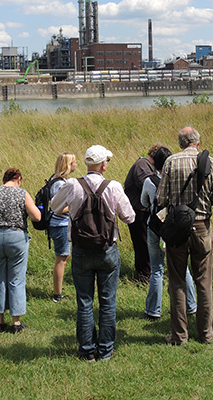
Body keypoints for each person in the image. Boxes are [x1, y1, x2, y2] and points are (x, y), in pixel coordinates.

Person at [50, 145, 135, 361]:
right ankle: (105, 350)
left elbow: (54, 206)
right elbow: (129, 217)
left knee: (84, 301)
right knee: (107, 301)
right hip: (107, 250)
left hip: (80, 250)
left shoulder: (72, 184)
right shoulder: (113, 186)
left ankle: (87, 350)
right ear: (103, 164)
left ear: (88, 163)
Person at [156, 127, 213, 345]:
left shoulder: (171, 162)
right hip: (202, 226)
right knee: (204, 282)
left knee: (177, 281)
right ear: (197, 141)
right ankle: (206, 334)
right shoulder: (211, 162)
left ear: (180, 143)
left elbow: (161, 198)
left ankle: (180, 336)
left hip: (177, 228)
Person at [0, 167, 42, 333]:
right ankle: (16, 323)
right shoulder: (22, 193)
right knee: (16, 279)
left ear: (4, 179)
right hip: (16, 238)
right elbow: (36, 217)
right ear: (19, 179)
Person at [141, 146, 197, 320]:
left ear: (154, 163)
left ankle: (153, 309)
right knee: (183, 267)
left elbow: (144, 202)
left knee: (157, 269)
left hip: (155, 228)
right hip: (175, 227)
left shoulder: (149, 181)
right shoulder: (175, 177)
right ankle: (191, 305)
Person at [123, 144, 165, 283]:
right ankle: (144, 277)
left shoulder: (148, 166)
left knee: (147, 243)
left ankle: (148, 273)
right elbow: (149, 185)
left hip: (145, 211)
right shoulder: (142, 164)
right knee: (142, 244)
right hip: (138, 212)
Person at [46, 152, 78, 302]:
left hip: (60, 224)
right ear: (67, 165)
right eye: (74, 163)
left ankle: (58, 291)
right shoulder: (59, 183)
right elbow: (56, 207)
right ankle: (57, 294)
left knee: (64, 257)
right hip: (60, 225)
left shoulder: (57, 180)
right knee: (61, 259)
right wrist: (75, 207)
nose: (76, 165)